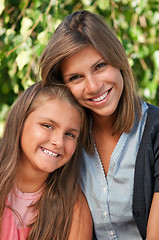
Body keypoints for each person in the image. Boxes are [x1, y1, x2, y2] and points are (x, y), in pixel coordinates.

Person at [39, 10, 159, 240]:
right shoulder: (62, 143)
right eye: (76, 77)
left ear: (118, 60)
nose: (93, 86)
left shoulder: (155, 132)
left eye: (99, 66)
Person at [0, 81, 93, 240]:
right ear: (21, 121)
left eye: (70, 134)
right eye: (48, 126)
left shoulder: (74, 209)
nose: (59, 142)